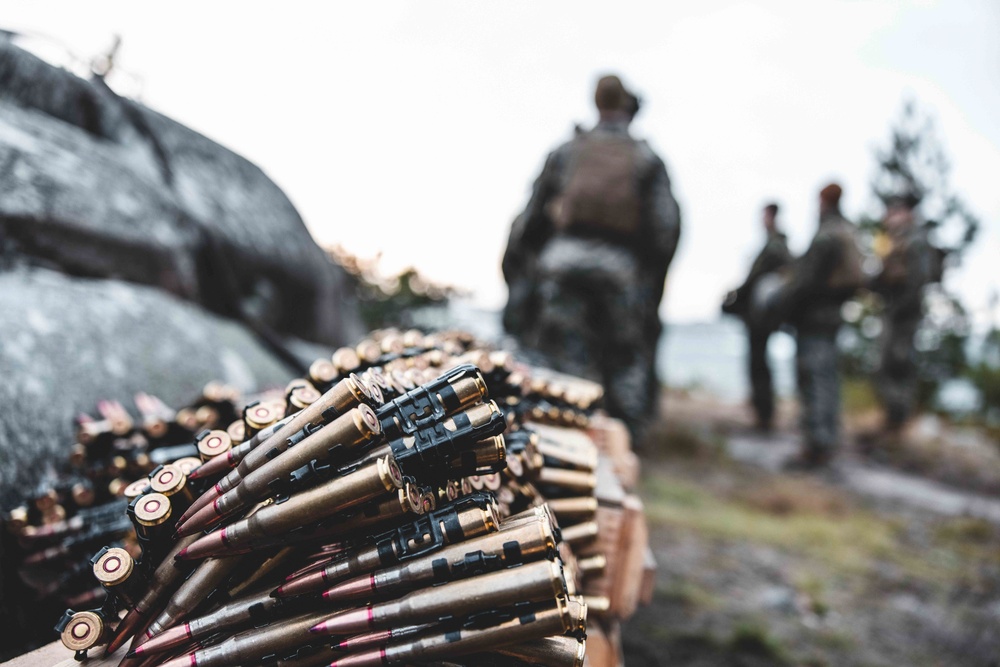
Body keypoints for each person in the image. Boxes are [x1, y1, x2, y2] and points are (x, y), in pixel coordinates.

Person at [501, 74, 681, 444]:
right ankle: (626, 444)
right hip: (620, 271)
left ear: (596, 103)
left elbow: (531, 216)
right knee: (626, 357)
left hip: (562, 267)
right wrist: (647, 276)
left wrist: (523, 267)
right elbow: (666, 227)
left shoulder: (568, 151)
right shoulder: (645, 157)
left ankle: (567, 439)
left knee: (564, 359)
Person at [780, 183, 863, 467]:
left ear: (822, 200)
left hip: (814, 319)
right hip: (832, 318)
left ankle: (816, 447)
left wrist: (785, 308)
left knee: (814, 380)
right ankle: (825, 442)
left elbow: (806, 282)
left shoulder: (827, 235)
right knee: (827, 379)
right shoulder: (845, 231)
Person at [723, 203, 792, 431]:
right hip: (761, 315)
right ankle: (762, 411)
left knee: (758, 364)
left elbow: (756, 280)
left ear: (771, 216)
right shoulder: (776, 245)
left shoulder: (775, 246)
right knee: (759, 363)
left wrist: (735, 296)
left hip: (761, 317)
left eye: (764, 215)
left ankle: (764, 413)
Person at [871, 195, 937, 432]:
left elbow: (918, 280)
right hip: (894, 310)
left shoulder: (915, 240)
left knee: (898, 363)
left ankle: (898, 421)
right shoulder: (893, 240)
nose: (890, 217)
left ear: (906, 214)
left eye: (895, 212)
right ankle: (893, 418)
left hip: (904, 314)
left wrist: (901, 308)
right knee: (886, 364)